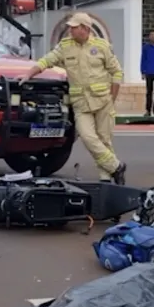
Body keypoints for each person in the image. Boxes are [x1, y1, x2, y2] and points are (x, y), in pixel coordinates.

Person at [20, 13, 127, 184]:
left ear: (85, 28)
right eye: (70, 26)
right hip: (81, 103)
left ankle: (106, 178)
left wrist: (112, 98)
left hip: (102, 101)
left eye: (74, 27)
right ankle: (116, 166)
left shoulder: (101, 46)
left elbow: (117, 72)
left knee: (104, 139)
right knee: (87, 137)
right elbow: (46, 61)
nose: (70, 30)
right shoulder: (65, 46)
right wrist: (28, 74)